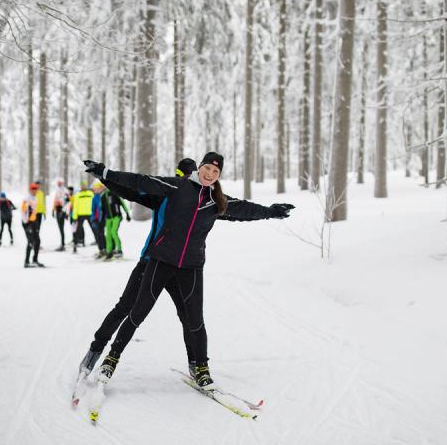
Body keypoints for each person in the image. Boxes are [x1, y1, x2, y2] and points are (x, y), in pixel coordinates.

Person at [83, 152, 294, 389]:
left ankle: (200, 366)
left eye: (216, 172)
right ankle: (105, 357)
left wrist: (272, 211)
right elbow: (138, 183)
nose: (210, 174)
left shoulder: (216, 201)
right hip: (158, 261)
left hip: (190, 268)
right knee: (133, 310)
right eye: (207, 169)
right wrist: (105, 174)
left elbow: (244, 210)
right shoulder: (174, 188)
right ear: (198, 169)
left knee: (193, 320)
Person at [72, 158, 200, 401]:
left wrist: (267, 212)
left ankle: (195, 363)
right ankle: (93, 354)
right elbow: (131, 191)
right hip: (150, 262)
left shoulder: (199, 203)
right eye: (181, 176)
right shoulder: (164, 196)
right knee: (125, 307)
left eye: (186, 176)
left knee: (187, 315)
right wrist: (104, 176)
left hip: (178, 268)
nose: (184, 181)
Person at [100, 184, 131, 260]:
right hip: (108, 218)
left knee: (114, 232)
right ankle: (109, 252)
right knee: (108, 235)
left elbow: (122, 204)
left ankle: (119, 250)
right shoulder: (103, 196)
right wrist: (102, 219)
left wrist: (127, 214)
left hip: (116, 216)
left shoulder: (115, 193)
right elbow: (103, 209)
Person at [21, 183, 44, 268]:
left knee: (37, 241)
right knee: (30, 242)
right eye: (33, 189)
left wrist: (36, 222)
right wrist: (26, 222)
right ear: (30, 190)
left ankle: (35, 260)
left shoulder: (36, 198)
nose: (34, 191)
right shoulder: (26, 198)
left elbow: (35, 211)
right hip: (27, 222)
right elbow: (23, 211)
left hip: (34, 222)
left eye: (36, 189)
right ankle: (26, 262)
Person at [71, 181, 93, 253]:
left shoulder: (90, 193)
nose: (83, 186)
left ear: (86, 186)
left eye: (84, 185)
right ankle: (75, 246)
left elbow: (94, 205)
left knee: (95, 230)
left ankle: (102, 248)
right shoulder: (77, 194)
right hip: (80, 215)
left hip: (90, 214)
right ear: (80, 186)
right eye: (82, 185)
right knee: (77, 231)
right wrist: (74, 216)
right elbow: (75, 206)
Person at [89, 181, 107, 258]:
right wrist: (92, 219)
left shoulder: (104, 196)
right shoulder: (94, 197)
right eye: (95, 189)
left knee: (102, 234)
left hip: (103, 219)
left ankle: (106, 249)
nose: (96, 190)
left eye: (98, 188)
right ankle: (101, 250)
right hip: (96, 219)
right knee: (98, 235)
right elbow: (92, 209)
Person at [52, 179, 68, 251]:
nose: (59, 184)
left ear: (62, 183)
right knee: (60, 228)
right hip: (57, 210)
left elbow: (67, 201)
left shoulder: (65, 191)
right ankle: (62, 243)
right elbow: (55, 201)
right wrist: (53, 210)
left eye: (60, 183)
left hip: (62, 210)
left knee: (61, 228)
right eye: (58, 183)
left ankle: (63, 244)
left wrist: (64, 211)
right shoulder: (57, 190)